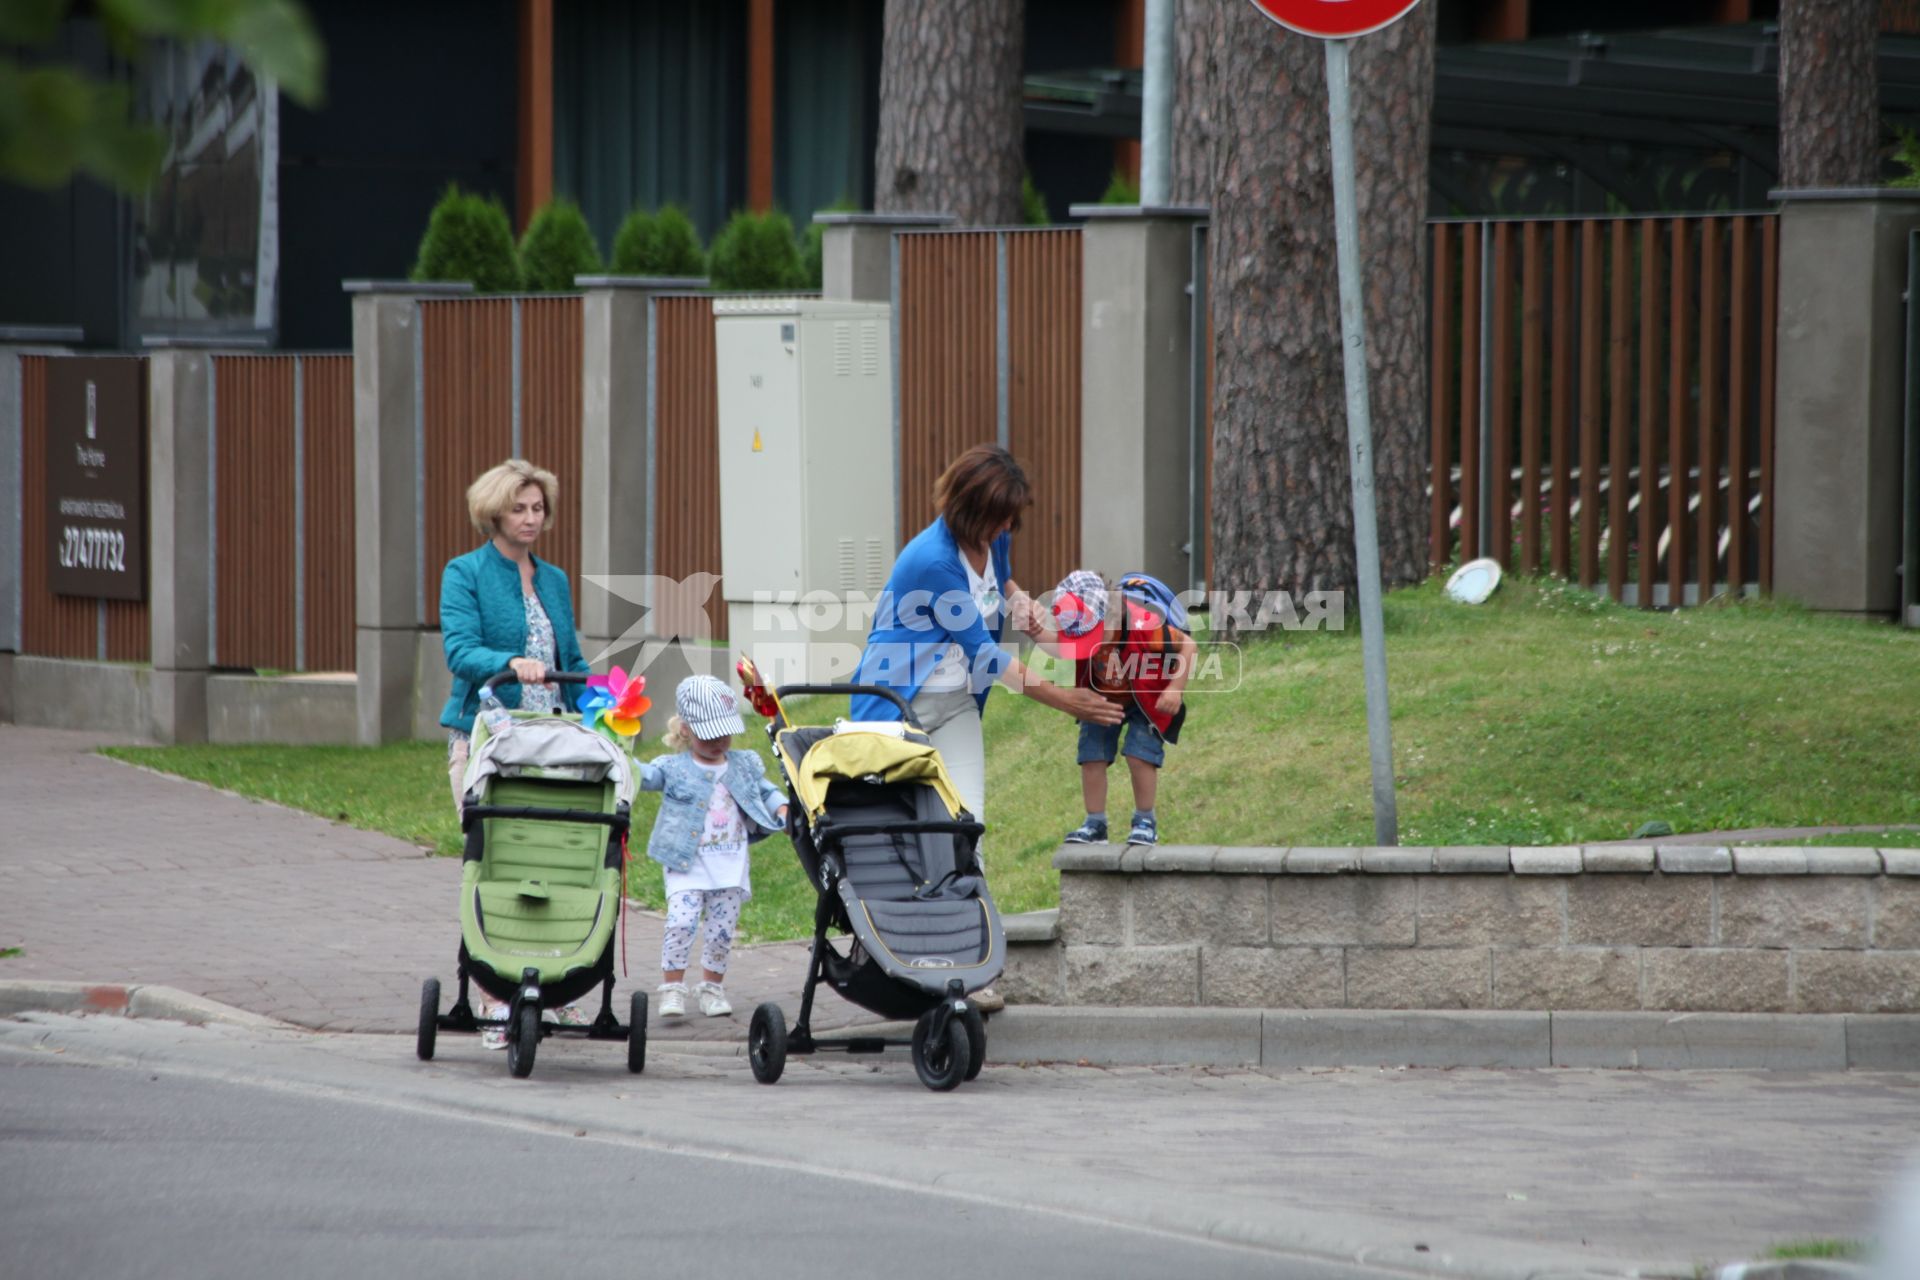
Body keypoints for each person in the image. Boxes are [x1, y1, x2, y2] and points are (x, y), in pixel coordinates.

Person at [849, 445, 1124, 1010]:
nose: (1009, 526)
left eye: (1012, 519)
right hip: (900, 707)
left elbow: (1014, 601)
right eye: (1002, 517)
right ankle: (900, 955)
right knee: (906, 836)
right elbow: (989, 659)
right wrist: (1072, 703)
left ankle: (964, 971)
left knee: (964, 829)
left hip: (955, 708)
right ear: (972, 509)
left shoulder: (993, 539)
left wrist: (1085, 651)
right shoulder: (932, 560)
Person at [438, 458, 590, 1044]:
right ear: (493, 513)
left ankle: (549, 988)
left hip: (549, 739)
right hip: (488, 736)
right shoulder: (466, 573)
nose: (531, 519)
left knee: (554, 864)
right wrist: (510, 664)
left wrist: (603, 696)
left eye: (538, 509)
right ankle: (495, 996)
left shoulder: (553, 580)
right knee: (495, 864)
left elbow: (569, 660)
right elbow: (460, 651)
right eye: (519, 509)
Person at [635, 675, 789, 1020]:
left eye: (724, 732)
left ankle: (711, 988)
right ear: (686, 729)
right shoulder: (673, 767)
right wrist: (621, 757)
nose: (719, 741)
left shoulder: (742, 764)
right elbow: (645, 777)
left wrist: (781, 807)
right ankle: (673, 988)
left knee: (721, 932)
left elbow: (766, 790)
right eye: (709, 733)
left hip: (730, 867)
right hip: (685, 865)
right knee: (681, 923)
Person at [1047, 570, 1197, 848]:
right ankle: (1095, 824)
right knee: (1091, 755)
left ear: (1108, 614)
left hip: (1147, 700)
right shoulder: (1082, 633)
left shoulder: (1146, 626)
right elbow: (1058, 648)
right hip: (1102, 697)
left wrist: (1175, 688)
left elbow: (1188, 646)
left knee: (1139, 755)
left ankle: (1145, 821)